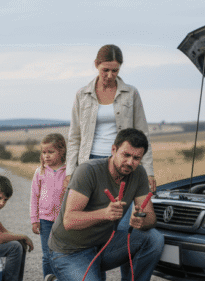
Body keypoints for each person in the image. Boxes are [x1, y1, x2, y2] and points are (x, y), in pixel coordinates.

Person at [41, 128, 164, 281]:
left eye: (136, 158)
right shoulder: (88, 171)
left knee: (154, 238)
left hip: (103, 246)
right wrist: (104, 214)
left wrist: (142, 220)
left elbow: (149, 217)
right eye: (126, 155)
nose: (130, 162)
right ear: (113, 149)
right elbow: (69, 220)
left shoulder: (138, 174)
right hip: (70, 252)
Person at [66, 44, 156, 193]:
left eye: (115, 70)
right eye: (105, 70)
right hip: (89, 161)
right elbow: (74, 136)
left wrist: (149, 172)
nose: (110, 75)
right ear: (96, 64)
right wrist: (70, 171)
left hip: (123, 161)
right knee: (91, 211)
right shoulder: (82, 94)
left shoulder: (131, 93)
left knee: (121, 208)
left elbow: (143, 134)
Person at [30, 133, 67, 281]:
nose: (46, 156)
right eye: (44, 152)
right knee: (47, 255)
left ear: (62, 151)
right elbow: (34, 196)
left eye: (50, 152)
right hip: (45, 219)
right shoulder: (40, 172)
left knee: (62, 254)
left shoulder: (68, 171)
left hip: (63, 220)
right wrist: (34, 219)